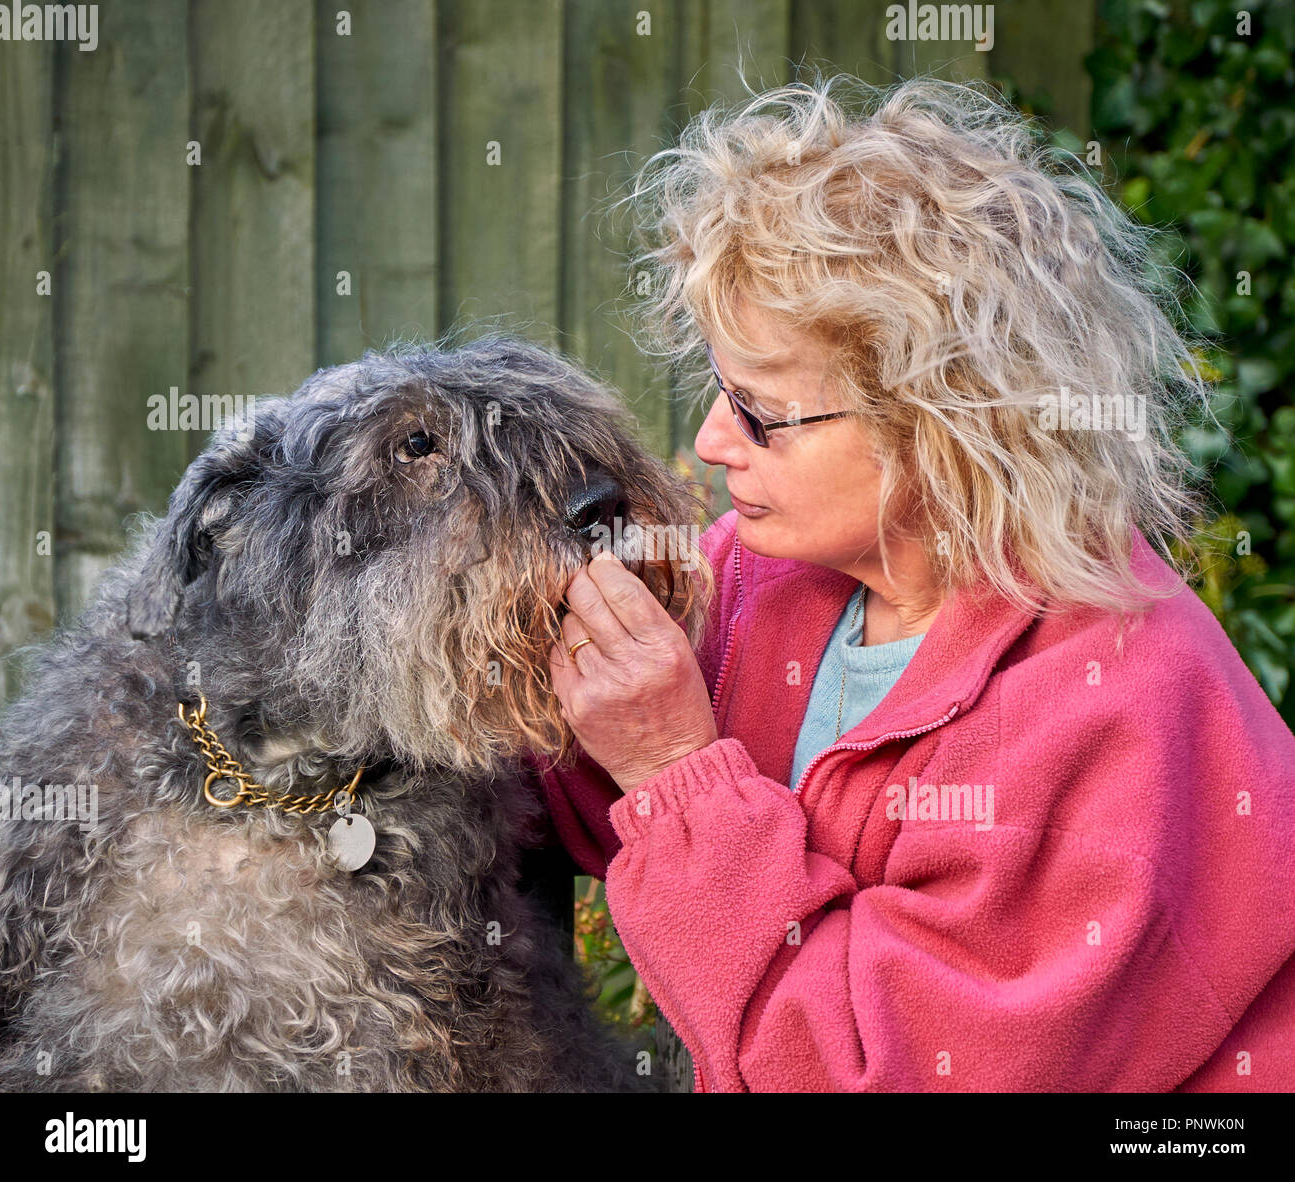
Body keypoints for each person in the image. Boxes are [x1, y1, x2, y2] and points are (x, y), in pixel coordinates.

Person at [530, 74, 1295, 1092]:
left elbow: (860, 1073)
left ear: (944, 426)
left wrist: (674, 769)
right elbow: (565, 781)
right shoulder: (766, 571)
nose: (713, 442)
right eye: (718, 392)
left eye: (761, 413)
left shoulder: (1117, 708)